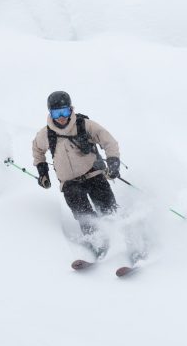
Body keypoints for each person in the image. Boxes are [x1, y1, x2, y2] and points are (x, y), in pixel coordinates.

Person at [32, 90, 121, 257]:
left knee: (109, 211)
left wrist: (113, 162)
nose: (61, 117)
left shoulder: (84, 125)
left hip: (93, 175)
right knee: (85, 216)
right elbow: (37, 149)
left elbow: (109, 141)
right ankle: (98, 244)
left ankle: (124, 241)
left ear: (71, 109)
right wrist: (42, 170)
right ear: (50, 113)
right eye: (56, 113)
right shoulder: (46, 134)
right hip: (70, 183)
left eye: (64, 111)